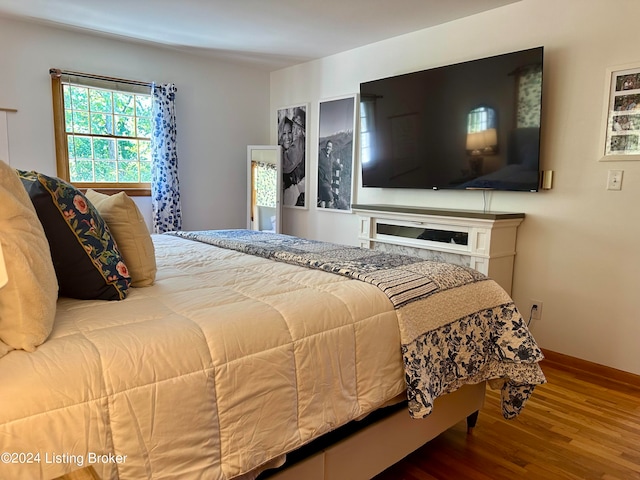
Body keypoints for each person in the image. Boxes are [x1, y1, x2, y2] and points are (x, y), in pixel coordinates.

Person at [317, 140, 341, 208]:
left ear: (332, 149)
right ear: (325, 146)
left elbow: (336, 164)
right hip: (322, 181)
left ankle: (324, 213)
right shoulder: (321, 153)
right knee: (330, 199)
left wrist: (340, 166)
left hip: (328, 182)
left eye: (330, 147)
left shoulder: (331, 157)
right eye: (327, 146)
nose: (328, 148)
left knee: (324, 200)